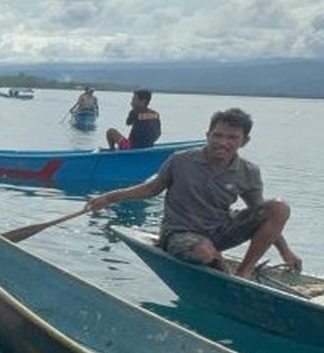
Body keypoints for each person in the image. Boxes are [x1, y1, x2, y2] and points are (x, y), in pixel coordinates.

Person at [88, 108, 301, 279]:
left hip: (220, 230)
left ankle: (244, 271)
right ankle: (217, 261)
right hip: (180, 233)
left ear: (244, 141)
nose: (223, 143)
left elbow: (264, 216)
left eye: (232, 138)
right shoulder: (181, 160)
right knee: (204, 252)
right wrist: (108, 198)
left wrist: (285, 251)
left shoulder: (249, 171)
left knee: (279, 207)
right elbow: (151, 188)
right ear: (207, 135)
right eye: (217, 135)